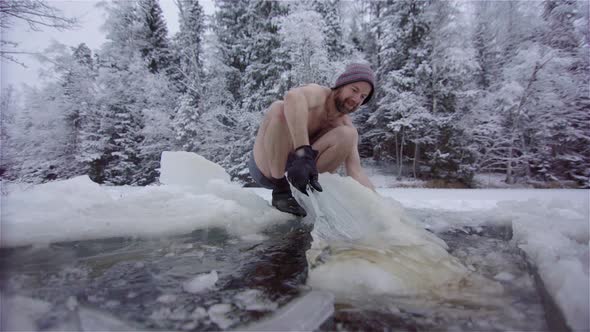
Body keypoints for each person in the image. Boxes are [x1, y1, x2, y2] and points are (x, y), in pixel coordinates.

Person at [248, 63, 376, 217]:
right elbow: (293, 96)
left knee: (348, 135)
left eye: (362, 96)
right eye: (354, 90)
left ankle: (304, 194)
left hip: (301, 172)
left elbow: (356, 172)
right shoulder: (319, 94)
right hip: (267, 168)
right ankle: (280, 190)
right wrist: (303, 153)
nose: (356, 99)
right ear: (340, 85)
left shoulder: (344, 124)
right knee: (279, 108)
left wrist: (381, 207)